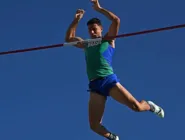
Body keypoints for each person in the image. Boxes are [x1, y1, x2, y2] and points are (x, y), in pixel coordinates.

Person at [65, 0, 165, 140]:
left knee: (136, 107)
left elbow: (116, 20)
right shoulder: (87, 44)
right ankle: (113, 137)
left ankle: (150, 105)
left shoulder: (108, 39)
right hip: (95, 85)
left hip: (108, 80)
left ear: (100, 29)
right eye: (90, 30)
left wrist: (99, 9)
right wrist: (76, 20)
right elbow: (69, 39)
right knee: (94, 126)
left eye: (94, 28)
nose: (92, 31)